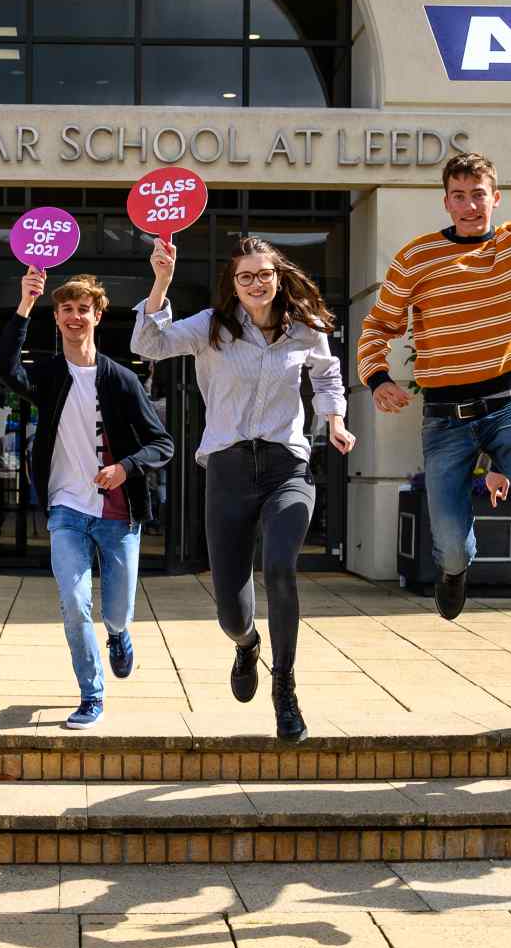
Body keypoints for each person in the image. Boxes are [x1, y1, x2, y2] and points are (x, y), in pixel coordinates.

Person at [357, 59, 511, 671]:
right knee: (449, 541)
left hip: (507, 407)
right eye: (458, 196)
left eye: (480, 195)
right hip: (444, 417)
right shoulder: (418, 258)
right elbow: (377, 327)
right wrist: (379, 377)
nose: (470, 205)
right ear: (445, 201)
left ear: (496, 199)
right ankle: (454, 571)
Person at [134, 237, 356, 741]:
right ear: (232, 283)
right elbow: (148, 344)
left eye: (265, 274)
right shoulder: (211, 327)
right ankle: (247, 643)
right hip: (229, 471)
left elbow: (327, 378)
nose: (257, 284)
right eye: (245, 276)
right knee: (231, 611)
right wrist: (162, 281)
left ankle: (286, 689)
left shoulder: (305, 328)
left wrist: (335, 422)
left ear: (279, 275)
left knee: (280, 568)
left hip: (287, 466)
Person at [0, 269, 173, 729]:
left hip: (118, 514)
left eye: (83, 309)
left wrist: (124, 468)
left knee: (116, 610)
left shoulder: (120, 379)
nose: (75, 317)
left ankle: (118, 635)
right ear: (56, 318)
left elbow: (162, 444)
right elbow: (3, 369)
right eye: (66, 310)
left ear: (98, 315)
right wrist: (24, 304)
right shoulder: (50, 375)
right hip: (66, 509)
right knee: (74, 604)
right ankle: (91, 695)